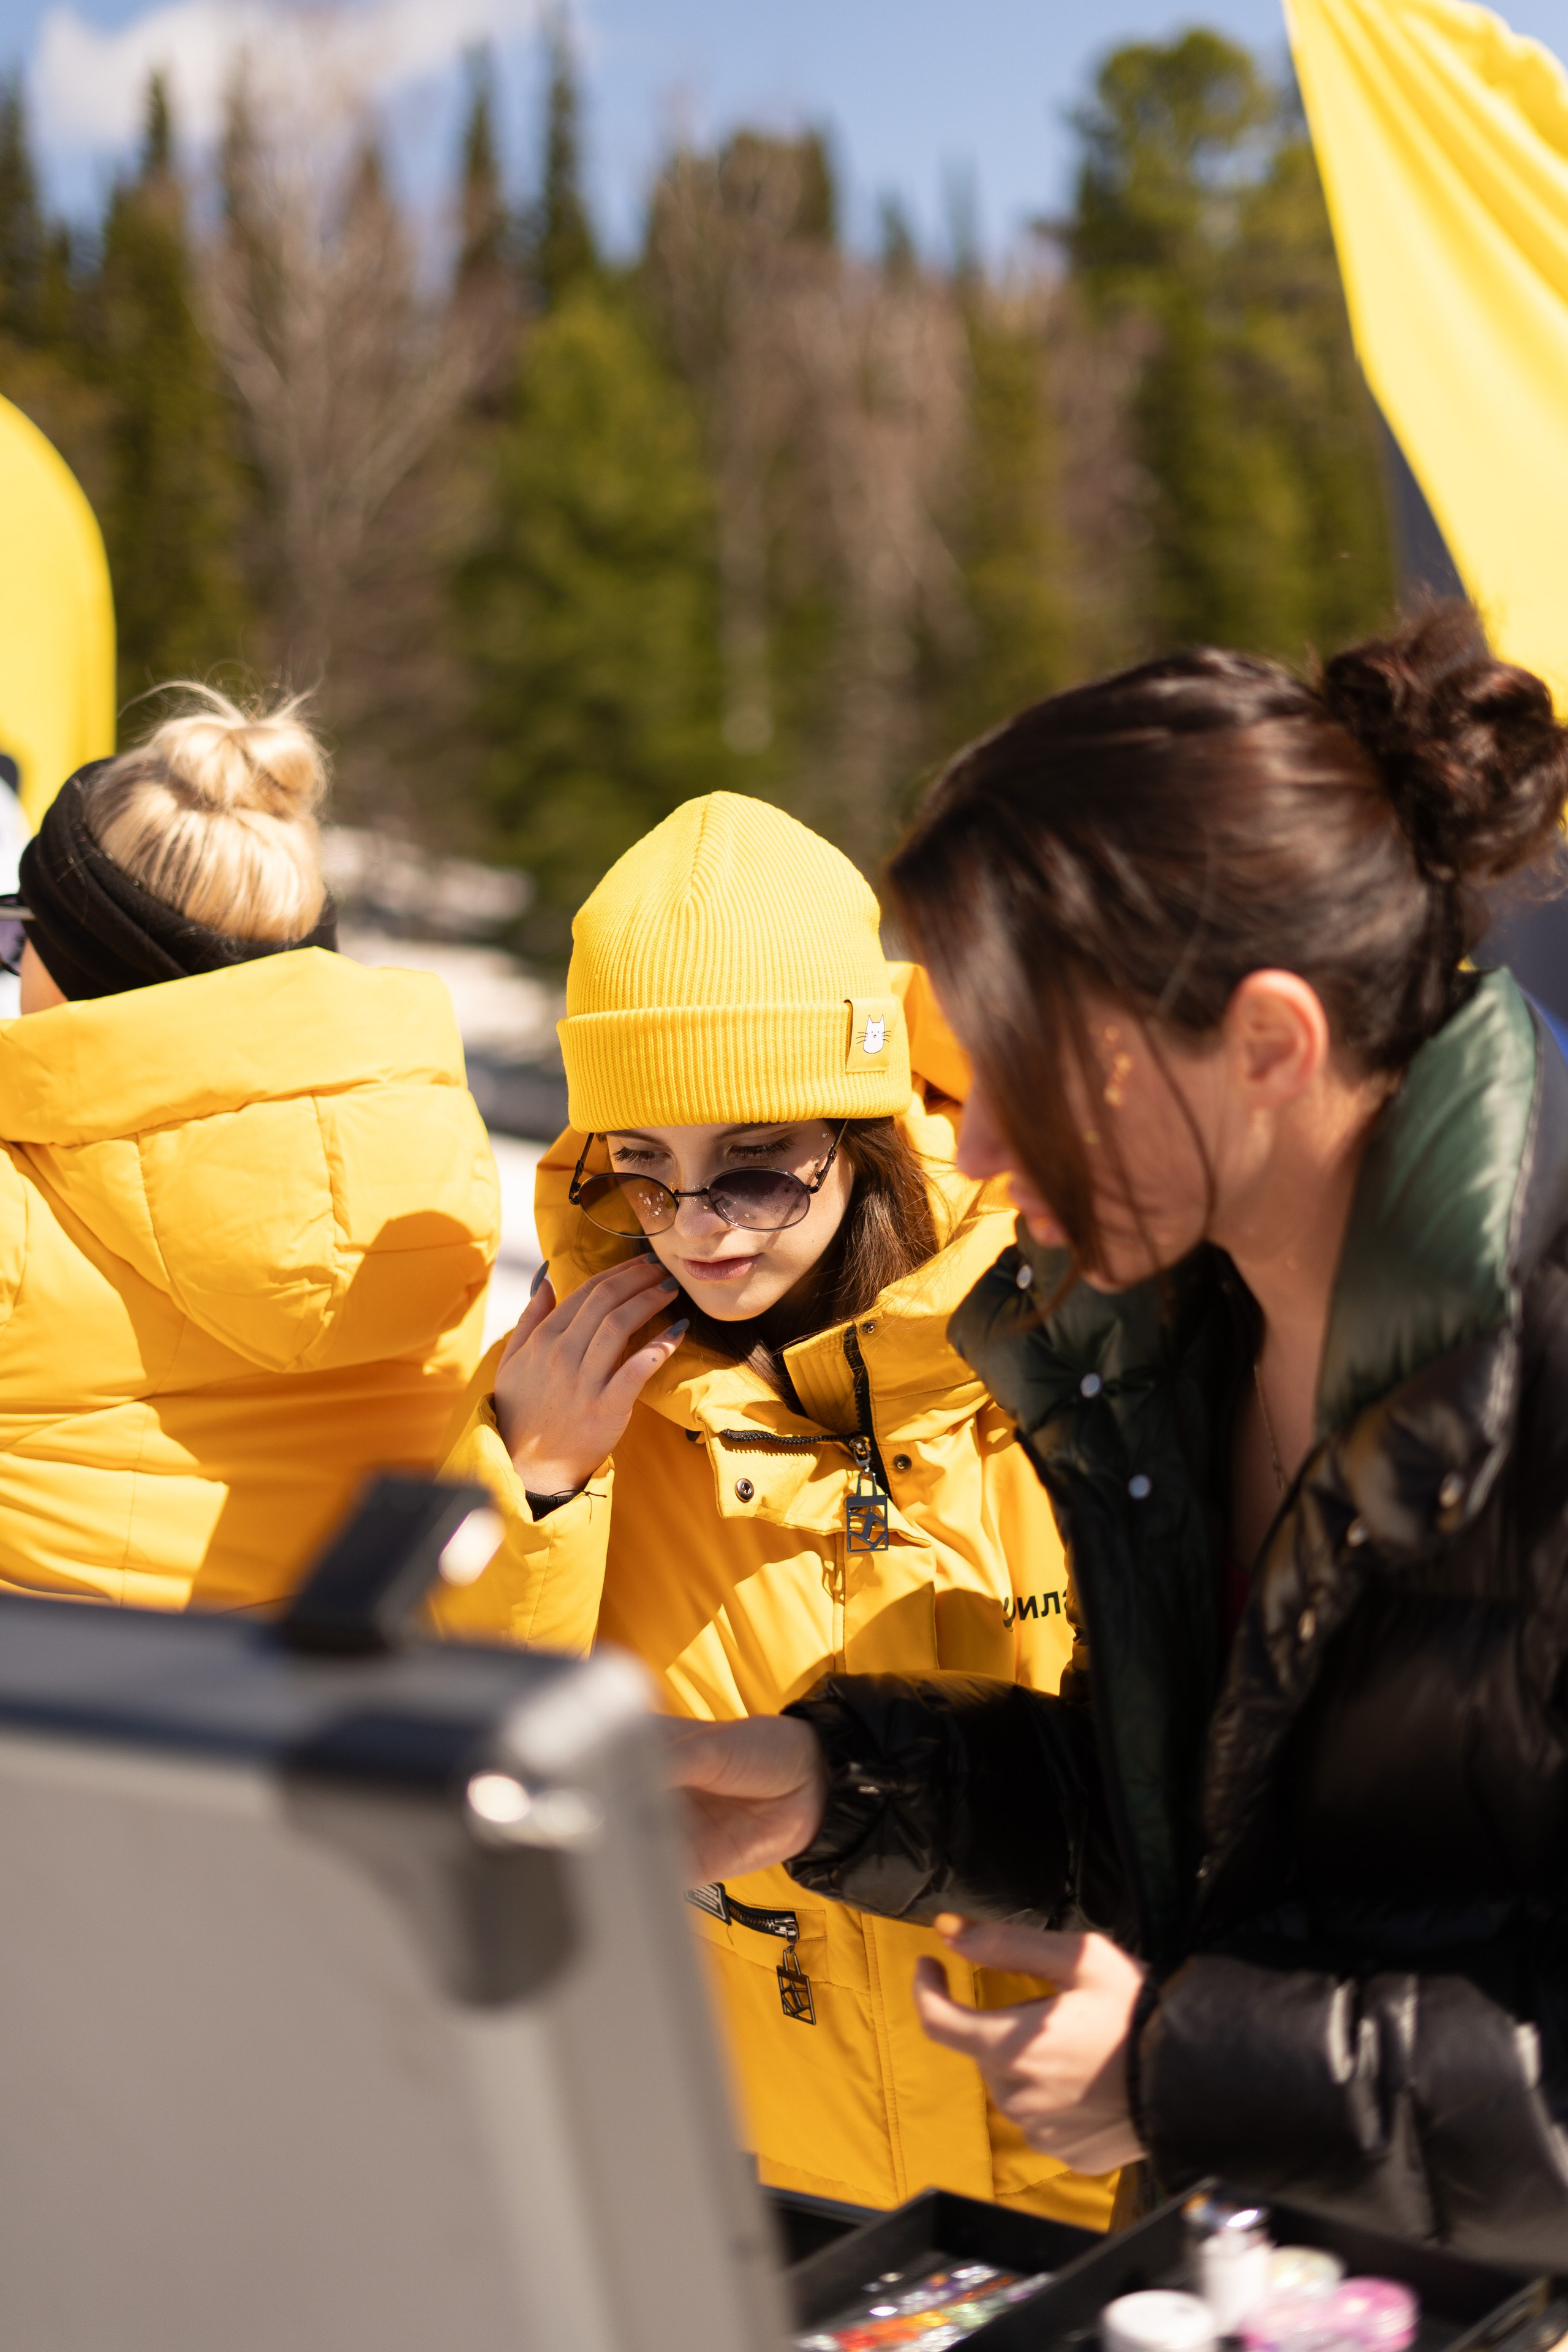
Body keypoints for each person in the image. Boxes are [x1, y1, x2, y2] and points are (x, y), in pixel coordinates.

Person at [666, 606, 1568, 2264]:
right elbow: (1207, 1831)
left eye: (1031, 1077)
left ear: (1271, 1046)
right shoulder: (1179, 1328)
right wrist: (831, 1786)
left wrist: (1183, 2074)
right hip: (1275, 2281)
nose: (980, 1149)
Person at [432, 791, 1115, 2230]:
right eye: (645, 1167)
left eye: (754, 1160)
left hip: (1090, 2173)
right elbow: (468, 1778)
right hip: (779, 2189)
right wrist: (535, 1484)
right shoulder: (571, 1404)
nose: (698, 1228)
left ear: (861, 1129)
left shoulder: (1065, 1329)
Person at [0, 686, 497, 1610]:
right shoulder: (434, 1174)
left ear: (88, 970)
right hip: (326, 1720)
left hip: (52, 1717)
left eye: (19, 929)